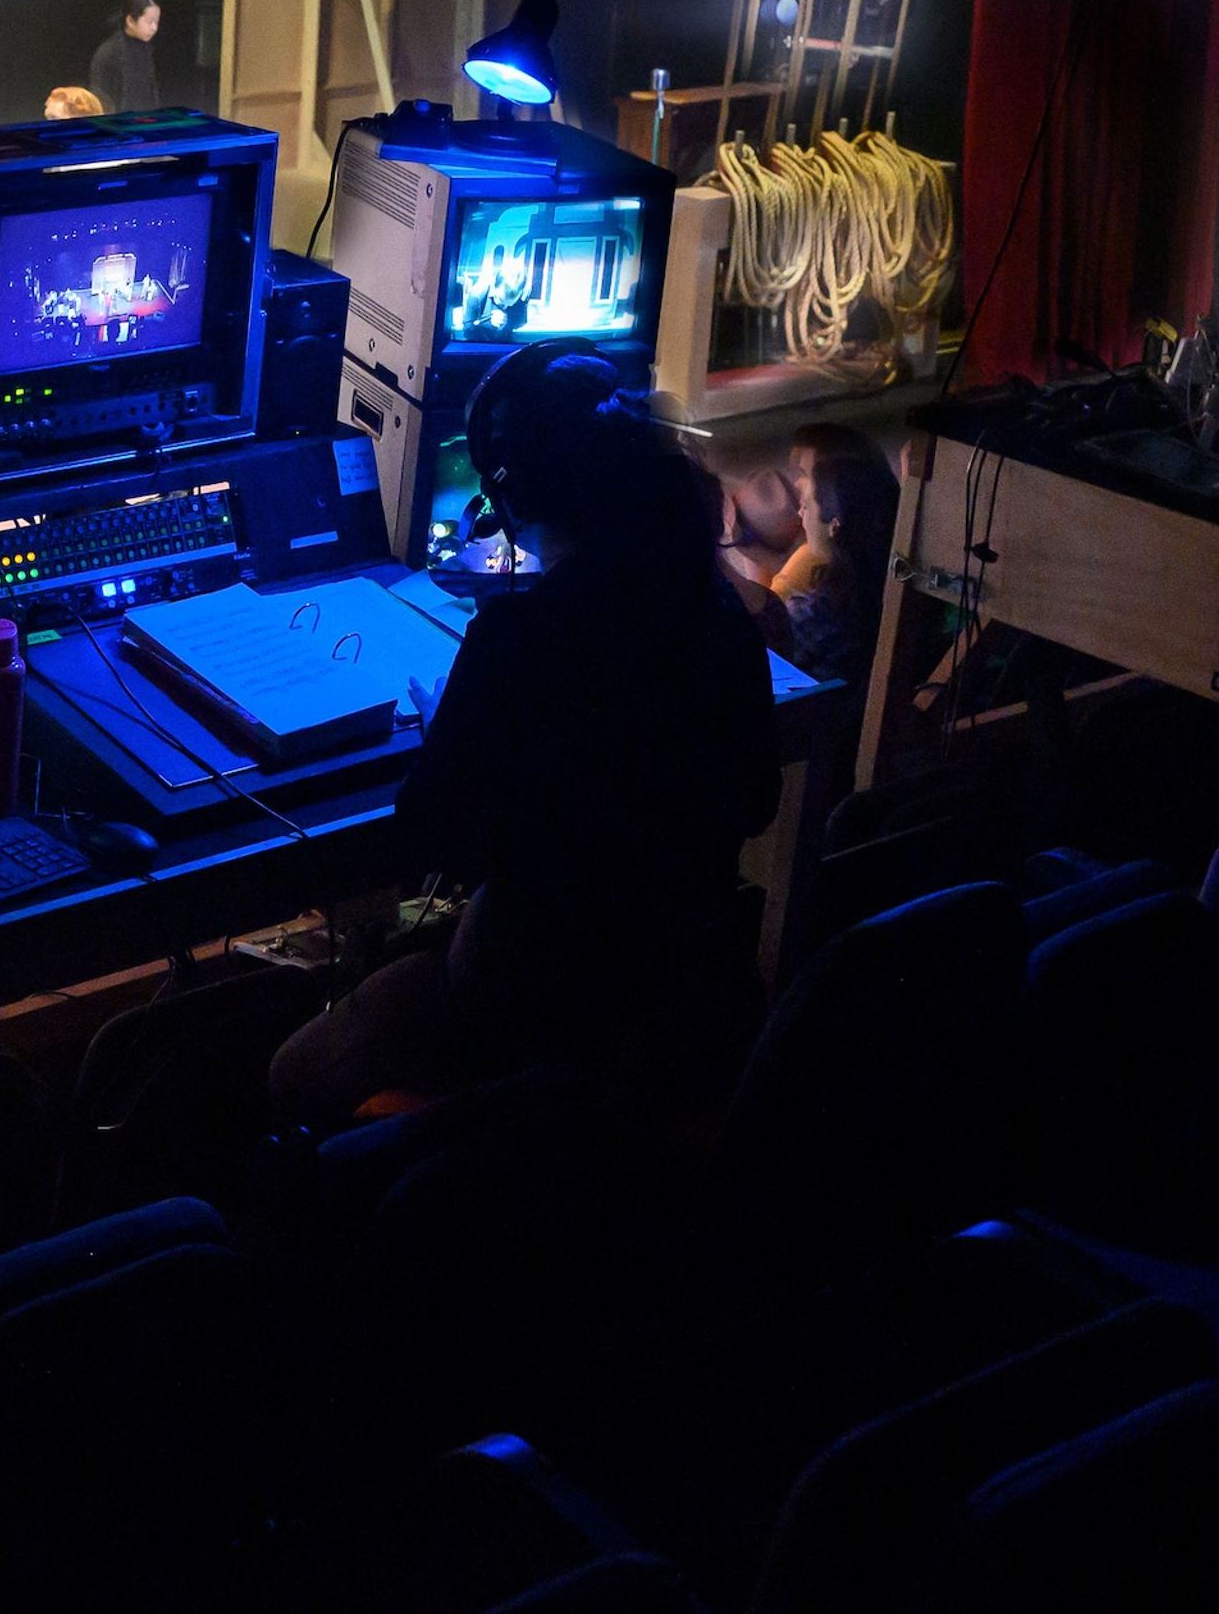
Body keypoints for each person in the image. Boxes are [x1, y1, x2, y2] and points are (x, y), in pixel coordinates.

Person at [268, 351, 779, 1132]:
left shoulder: (519, 639)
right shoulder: (719, 618)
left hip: (522, 998)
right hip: (684, 997)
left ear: (515, 495)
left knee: (289, 1074)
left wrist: (457, 729)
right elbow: (758, 799)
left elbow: (432, 835)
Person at [755, 423, 899, 686]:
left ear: (836, 521)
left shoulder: (821, 610)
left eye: (807, 475)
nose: (800, 509)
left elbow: (752, 653)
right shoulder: (891, 572)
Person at [88, 0, 164, 116]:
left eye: (156, 22)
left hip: (142, 119)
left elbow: (149, 92)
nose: (154, 28)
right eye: (149, 22)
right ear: (130, 21)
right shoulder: (112, 51)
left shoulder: (145, 47)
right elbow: (104, 97)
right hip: (116, 120)